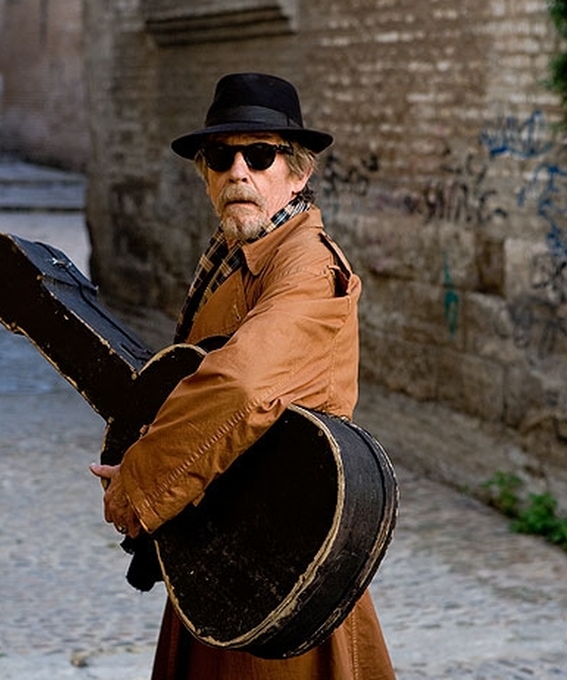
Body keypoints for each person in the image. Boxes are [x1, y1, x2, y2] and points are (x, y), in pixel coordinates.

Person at [90, 72, 396, 679]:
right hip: (223, 543)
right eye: (220, 157)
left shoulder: (307, 268)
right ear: (205, 174)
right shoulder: (233, 258)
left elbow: (241, 384)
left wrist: (141, 483)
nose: (238, 172)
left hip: (284, 561)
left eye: (260, 155)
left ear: (298, 173)